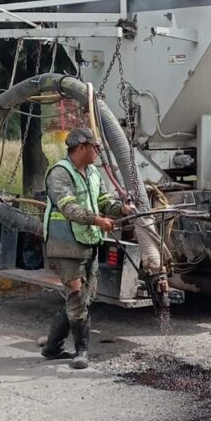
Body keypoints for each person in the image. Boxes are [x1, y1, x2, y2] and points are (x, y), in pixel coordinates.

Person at [41, 128, 135, 369]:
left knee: (85, 298)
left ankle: (52, 348)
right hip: (65, 245)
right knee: (76, 297)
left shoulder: (93, 173)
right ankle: (81, 350)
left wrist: (120, 209)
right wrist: (97, 220)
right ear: (81, 147)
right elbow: (69, 208)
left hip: (89, 242)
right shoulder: (59, 173)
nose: (98, 152)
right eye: (96, 147)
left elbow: (103, 200)